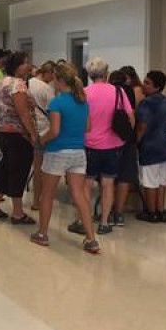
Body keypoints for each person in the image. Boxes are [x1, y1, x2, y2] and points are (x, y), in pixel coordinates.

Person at [30, 63, 100, 254]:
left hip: (57, 152)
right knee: (79, 195)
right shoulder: (83, 102)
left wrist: (41, 140)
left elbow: (54, 131)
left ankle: (42, 234)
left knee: (47, 194)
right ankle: (91, 239)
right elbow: (88, 127)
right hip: (78, 153)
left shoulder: (57, 103)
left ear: (59, 81)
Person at [67, 57, 134, 236]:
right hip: (114, 145)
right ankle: (104, 223)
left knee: (86, 184)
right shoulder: (118, 91)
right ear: (106, 73)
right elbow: (131, 117)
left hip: (89, 145)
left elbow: (77, 119)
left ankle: (82, 220)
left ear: (89, 75)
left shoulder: (84, 93)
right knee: (108, 184)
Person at [0, 52, 38, 225]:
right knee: (19, 171)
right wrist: (32, 133)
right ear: (17, 66)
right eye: (25, 62)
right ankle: (17, 212)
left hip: (1, 131)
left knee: (6, 168)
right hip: (17, 133)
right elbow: (23, 113)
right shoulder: (18, 85)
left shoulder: (3, 82)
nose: (28, 65)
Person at [136, 70, 166, 223]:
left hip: (149, 148)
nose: (143, 85)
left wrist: (136, 142)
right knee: (161, 181)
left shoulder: (146, 103)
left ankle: (151, 213)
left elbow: (142, 127)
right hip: (164, 148)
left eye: (147, 83)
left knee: (149, 182)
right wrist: (165, 136)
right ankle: (161, 211)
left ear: (157, 87)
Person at [109, 68, 140, 226]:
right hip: (127, 139)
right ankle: (119, 213)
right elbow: (131, 116)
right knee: (124, 177)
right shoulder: (129, 91)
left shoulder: (109, 91)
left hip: (109, 139)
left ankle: (108, 209)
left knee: (108, 177)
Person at [28, 61, 56, 211]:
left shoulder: (28, 83)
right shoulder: (47, 89)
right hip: (44, 131)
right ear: (48, 73)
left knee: (36, 168)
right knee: (44, 169)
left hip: (31, 129)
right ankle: (41, 199)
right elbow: (53, 113)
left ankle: (35, 201)